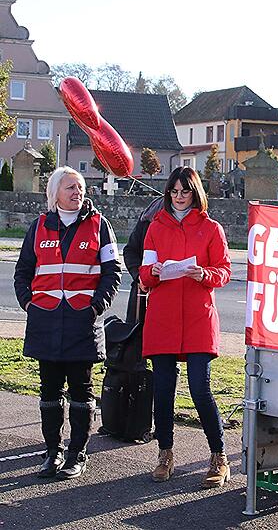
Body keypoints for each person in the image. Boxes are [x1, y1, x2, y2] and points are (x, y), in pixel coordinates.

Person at [14, 166, 121, 479]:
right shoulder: (38, 227)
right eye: (70, 187)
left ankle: (77, 453)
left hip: (81, 322)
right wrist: (28, 303)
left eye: (80, 187)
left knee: (80, 390)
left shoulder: (100, 225)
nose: (78, 192)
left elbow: (112, 272)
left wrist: (95, 306)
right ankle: (52, 452)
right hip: (45, 321)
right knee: (49, 391)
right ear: (54, 194)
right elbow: (23, 272)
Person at [139, 166, 232, 488]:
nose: (179, 197)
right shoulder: (155, 227)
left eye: (185, 191)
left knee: (200, 389)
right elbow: (144, 274)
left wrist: (204, 275)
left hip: (196, 317)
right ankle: (165, 454)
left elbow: (223, 271)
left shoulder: (211, 228)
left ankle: (218, 455)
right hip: (163, 317)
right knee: (163, 392)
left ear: (195, 193)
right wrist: (155, 271)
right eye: (174, 192)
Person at [122, 196, 163, 323]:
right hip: (143, 294)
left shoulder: (197, 219)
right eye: (174, 191)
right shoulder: (150, 215)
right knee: (138, 339)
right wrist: (140, 277)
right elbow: (130, 251)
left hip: (178, 299)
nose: (179, 197)